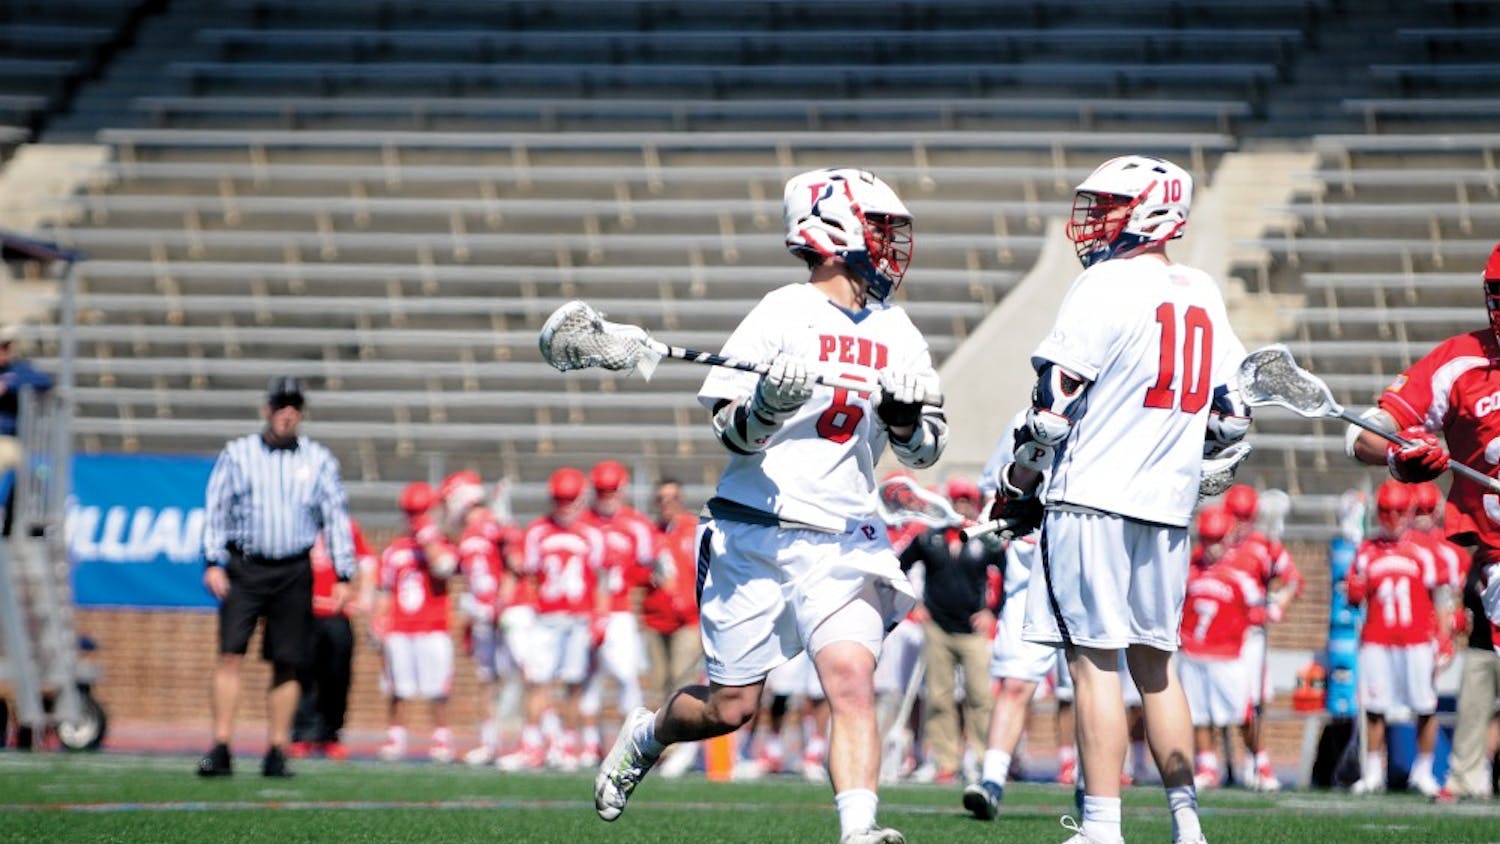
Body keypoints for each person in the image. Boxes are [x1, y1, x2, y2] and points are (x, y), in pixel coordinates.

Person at [594, 166, 947, 844]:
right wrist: (765, 407)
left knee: (851, 678)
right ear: (832, 230)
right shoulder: (782, 311)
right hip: (757, 532)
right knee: (730, 708)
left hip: (845, 536)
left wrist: (904, 422)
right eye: (878, 229)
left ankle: (859, 830)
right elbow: (728, 430)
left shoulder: (898, 329)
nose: (890, 244)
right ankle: (649, 734)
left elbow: (928, 447)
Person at [1001, 155, 1249, 844]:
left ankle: (1102, 828)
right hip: (1166, 507)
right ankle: (1187, 826)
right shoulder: (1201, 289)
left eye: (1110, 205)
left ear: (1149, 210)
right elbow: (1232, 419)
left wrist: (1019, 484)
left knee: (1094, 667)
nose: (1097, 220)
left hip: (1092, 498)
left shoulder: (1104, 283)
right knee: (1158, 668)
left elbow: (1051, 410)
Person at [197, 376, 356, 778]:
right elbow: (216, 508)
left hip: (293, 569)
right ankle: (221, 745)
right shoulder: (239, 454)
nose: (287, 414)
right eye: (281, 405)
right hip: (246, 566)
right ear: (266, 409)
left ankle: (277, 748)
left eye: (294, 407)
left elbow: (335, 516)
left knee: (288, 661)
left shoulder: (317, 459)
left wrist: (343, 572)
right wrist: (212, 561)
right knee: (230, 654)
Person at [1345, 481, 1450, 795]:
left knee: (1424, 706)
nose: (1392, 519)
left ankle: (1423, 772)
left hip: (1417, 640)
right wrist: (1354, 590)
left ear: (1410, 512)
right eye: (1386, 512)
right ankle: (1373, 773)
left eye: (1398, 511)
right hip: (1377, 639)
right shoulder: (1366, 550)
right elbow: (1354, 597)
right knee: (1375, 707)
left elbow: (1441, 597)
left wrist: (1443, 636)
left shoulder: (1424, 550)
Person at [501, 466, 607, 772]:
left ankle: (567, 746)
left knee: (574, 683)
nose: (565, 506)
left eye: (570, 499)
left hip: (578, 619)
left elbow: (601, 579)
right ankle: (532, 745)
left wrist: (600, 616)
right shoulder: (538, 531)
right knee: (537, 682)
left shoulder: (592, 534)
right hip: (545, 618)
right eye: (560, 499)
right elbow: (527, 574)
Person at [898, 475, 1002, 785]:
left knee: (980, 698)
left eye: (966, 500)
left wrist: (992, 612)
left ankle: (982, 760)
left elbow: (1008, 575)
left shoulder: (984, 539)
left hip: (972, 630)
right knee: (939, 698)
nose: (961, 506)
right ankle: (946, 761)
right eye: (957, 500)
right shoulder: (929, 538)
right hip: (938, 628)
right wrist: (914, 603)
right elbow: (899, 566)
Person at [1219, 484, 1303, 791]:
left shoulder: (1263, 547)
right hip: (1217, 636)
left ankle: (1259, 762)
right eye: (1236, 516)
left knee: (1249, 703)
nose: (1240, 523)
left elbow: (1293, 580)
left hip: (1249, 638)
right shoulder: (1216, 542)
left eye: (1246, 517)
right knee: (1213, 704)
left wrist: (1276, 605)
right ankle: (1213, 764)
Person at [1176, 507, 1265, 789]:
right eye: (1206, 539)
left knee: (1242, 714)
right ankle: (1207, 766)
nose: (1211, 547)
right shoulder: (1189, 569)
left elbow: (1260, 609)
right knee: (1199, 715)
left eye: (1216, 539)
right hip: (1194, 652)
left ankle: (1259, 764)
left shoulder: (1241, 571)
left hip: (1228, 654)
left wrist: (1258, 615)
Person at [439, 469, 521, 767]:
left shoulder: (494, 524)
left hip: (505, 613)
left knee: (522, 674)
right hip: (481, 615)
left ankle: (532, 742)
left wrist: (503, 603)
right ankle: (489, 742)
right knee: (486, 679)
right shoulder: (467, 533)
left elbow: (515, 564)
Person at [376, 481, 461, 763]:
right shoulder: (395, 550)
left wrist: (428, 538)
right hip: (401, 627)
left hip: (433, 627)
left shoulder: (441, 544)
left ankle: (441, 737)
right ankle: (396, 735)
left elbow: (445, 566)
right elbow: (385, 590)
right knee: (399, 688)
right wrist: (379, 621)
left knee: (439, 689)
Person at [580, 460, 658, 765]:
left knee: (627, 676)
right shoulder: (582, 523)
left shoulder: (637, 525)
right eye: (602, 490)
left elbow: (650, 571)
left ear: (622, 489)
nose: (607, 497)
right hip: (585, 612)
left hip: (620, 611)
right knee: (587, 679)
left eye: (612, 490)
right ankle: (589, 744)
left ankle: (630, 745)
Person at [289, 518, 377, 760]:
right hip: (304, 614)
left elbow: (368, 561)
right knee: (301, 674)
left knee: (337, 676)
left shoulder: (345, 526)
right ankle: (302, 733)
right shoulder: (298, 521)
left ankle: (330, 734)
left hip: (337, 614)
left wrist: (365, 597)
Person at [639, 478, 704, 711]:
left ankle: (681, 733)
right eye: (661, 499)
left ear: (681, 499)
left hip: (688, 619)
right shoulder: (650, 534)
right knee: (657, 685)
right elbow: (634, 572)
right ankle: (661, 732)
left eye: (673, 498)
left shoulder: (696, 530)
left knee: (681, 680)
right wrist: (649, 576)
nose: (667, 504)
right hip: (656, 619)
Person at [0, 325, 53, 535]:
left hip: (9, 439)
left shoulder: (17, 369)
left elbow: (44, 381)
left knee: (33, 474)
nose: (4, 351)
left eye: (6, 346)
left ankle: (16, 523)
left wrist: (8, 386)